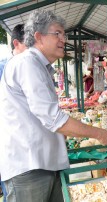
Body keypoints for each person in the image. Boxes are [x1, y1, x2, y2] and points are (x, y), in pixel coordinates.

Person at [0, 10, 107, 202]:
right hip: (29, 166)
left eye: (64, 34)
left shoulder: (39, 66)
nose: (63, 39)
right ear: (38, 37)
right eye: (57, 34)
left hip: (43, 163)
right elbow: (54, 118)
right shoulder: (27, 63)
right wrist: (98, 133)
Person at [0, 23, 27, 202]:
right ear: (16, 44)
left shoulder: (27, 67)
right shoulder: (5, 68)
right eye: (30, 43)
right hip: (14, 149)